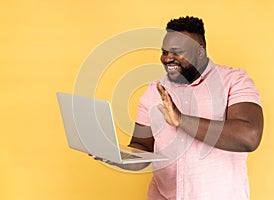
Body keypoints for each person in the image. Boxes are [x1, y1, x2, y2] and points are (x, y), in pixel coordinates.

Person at [94, 16, 264, 200]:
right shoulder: (154, 90)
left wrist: (181, 120)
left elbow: (249, 137)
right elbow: (142, 147)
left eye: (176, 52)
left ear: (200, 52)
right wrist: (118, 156)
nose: (167, 58)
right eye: (164, 52)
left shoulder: (234, 80)